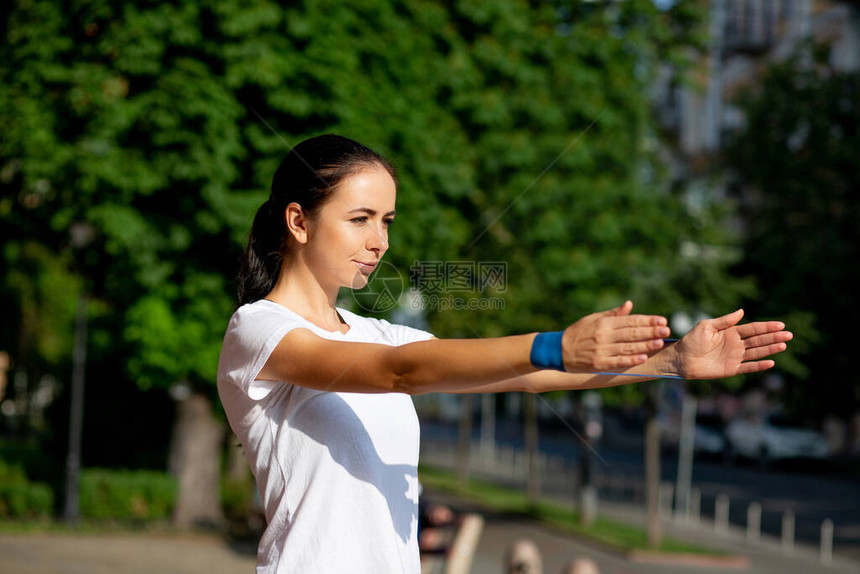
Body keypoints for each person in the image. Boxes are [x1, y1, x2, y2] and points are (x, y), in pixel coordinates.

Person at [216, 134, 792, 573]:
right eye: (360, 219)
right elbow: (397, 375)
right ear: (299, 220)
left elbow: (530, 377)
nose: (380, 242)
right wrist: (555, 343)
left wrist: (669, 362)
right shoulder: (259, 331)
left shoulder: (381, 332)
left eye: (387, 221)